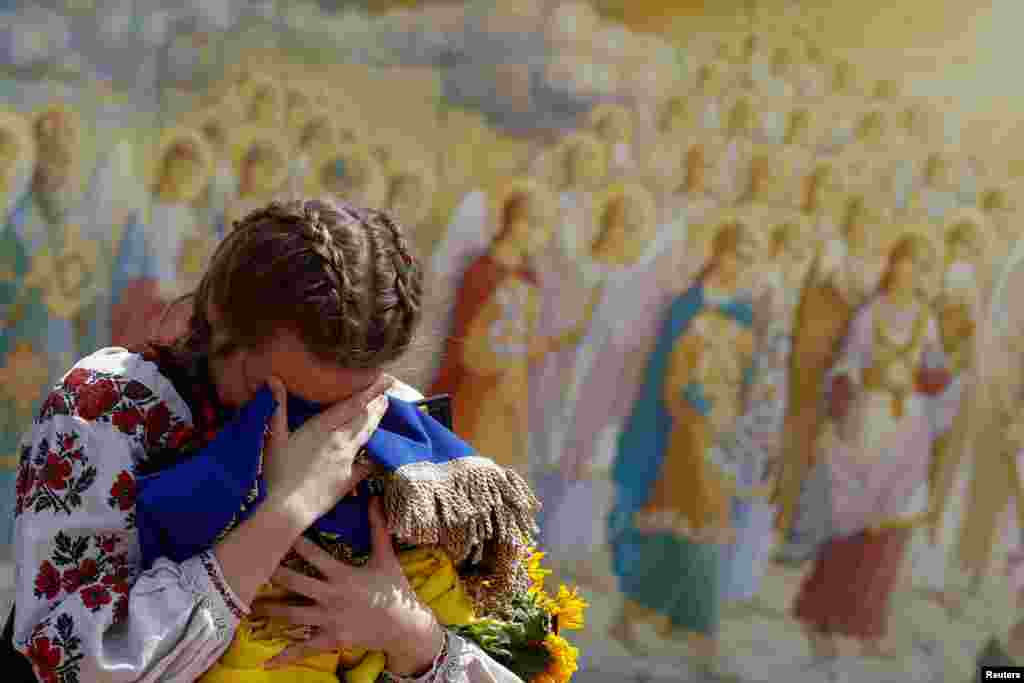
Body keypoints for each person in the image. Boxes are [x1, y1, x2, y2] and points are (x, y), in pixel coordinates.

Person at [9, 198, 531, 682]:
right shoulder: (111, 409)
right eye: (281, 397)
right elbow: (68, 664)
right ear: (219, 326)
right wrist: (281, 514)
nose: (319, 425)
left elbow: (518, 645)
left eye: (338, 404)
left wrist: (406, 633)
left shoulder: (399, 435)